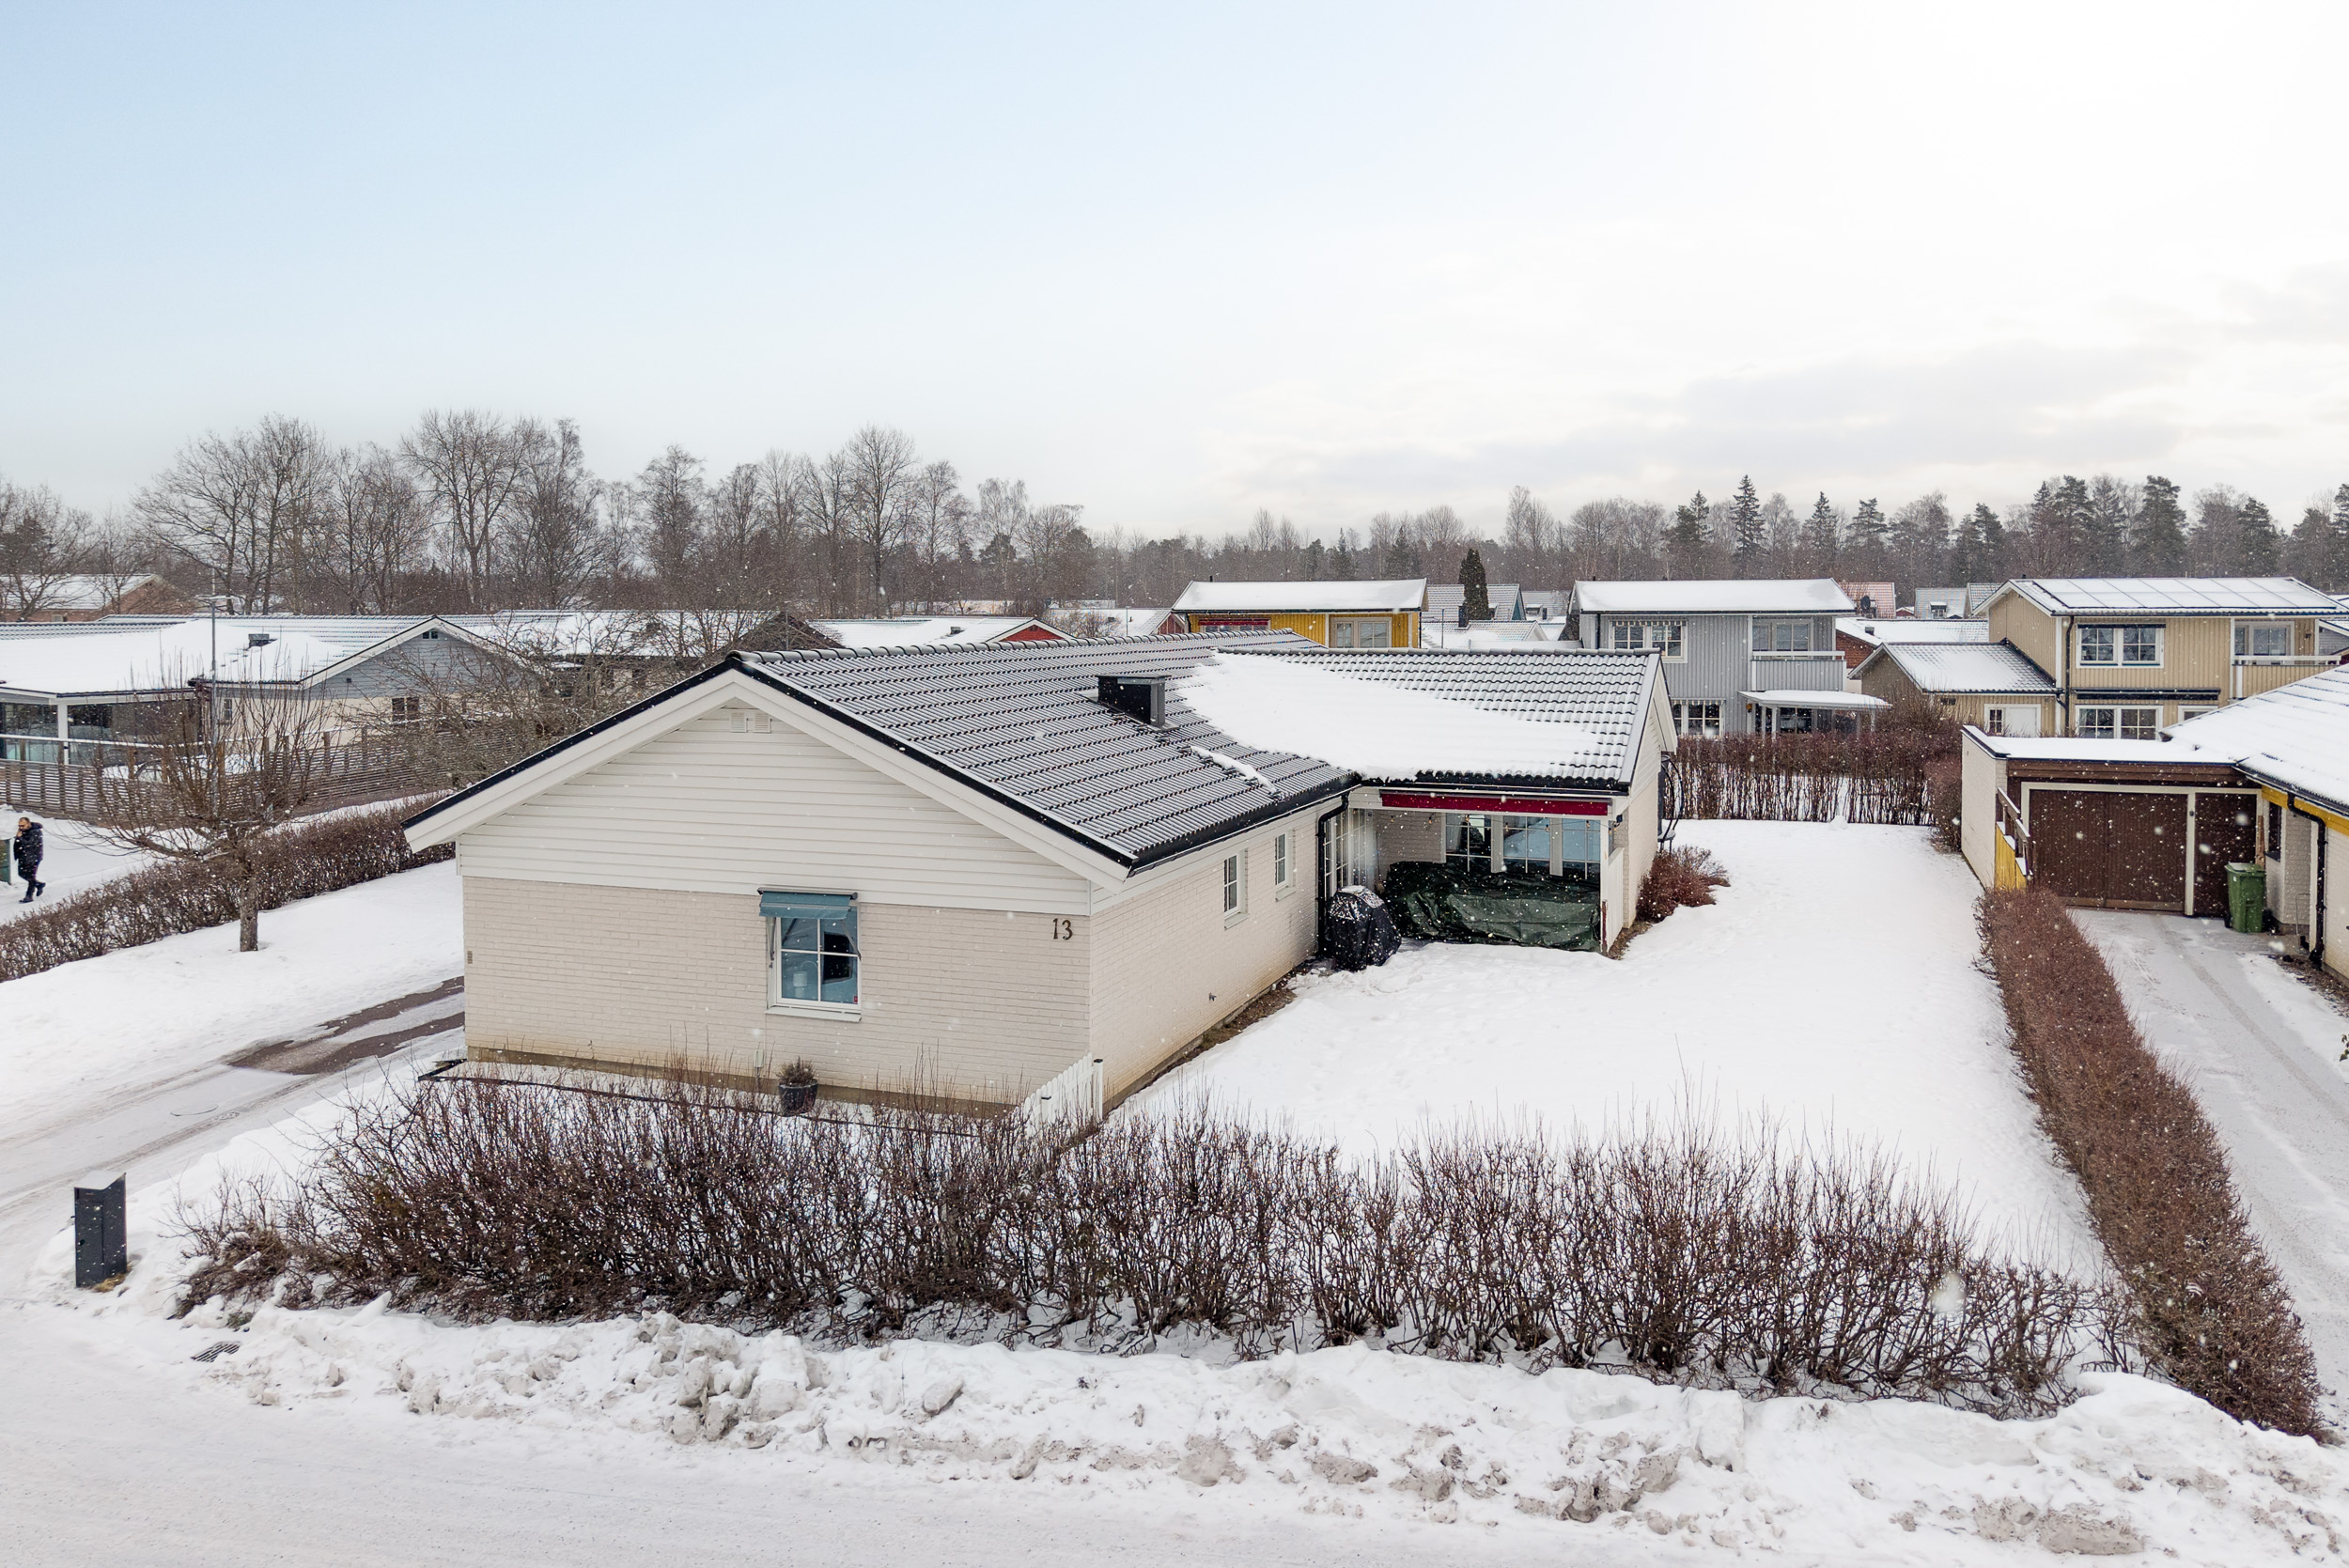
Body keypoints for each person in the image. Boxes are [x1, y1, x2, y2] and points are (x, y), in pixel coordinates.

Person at [13, 815, 44, 903]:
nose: (21, 828)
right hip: (23, 857)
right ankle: (39, 884)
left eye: (23, 826)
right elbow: (18, 844)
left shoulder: (36, 831)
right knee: (22, 874)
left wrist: (20, 838)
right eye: (19, 826)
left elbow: (30, 844)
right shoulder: (22, 832)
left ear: (28, 824)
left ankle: (29, 895)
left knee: (30, 876)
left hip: (33, 857)